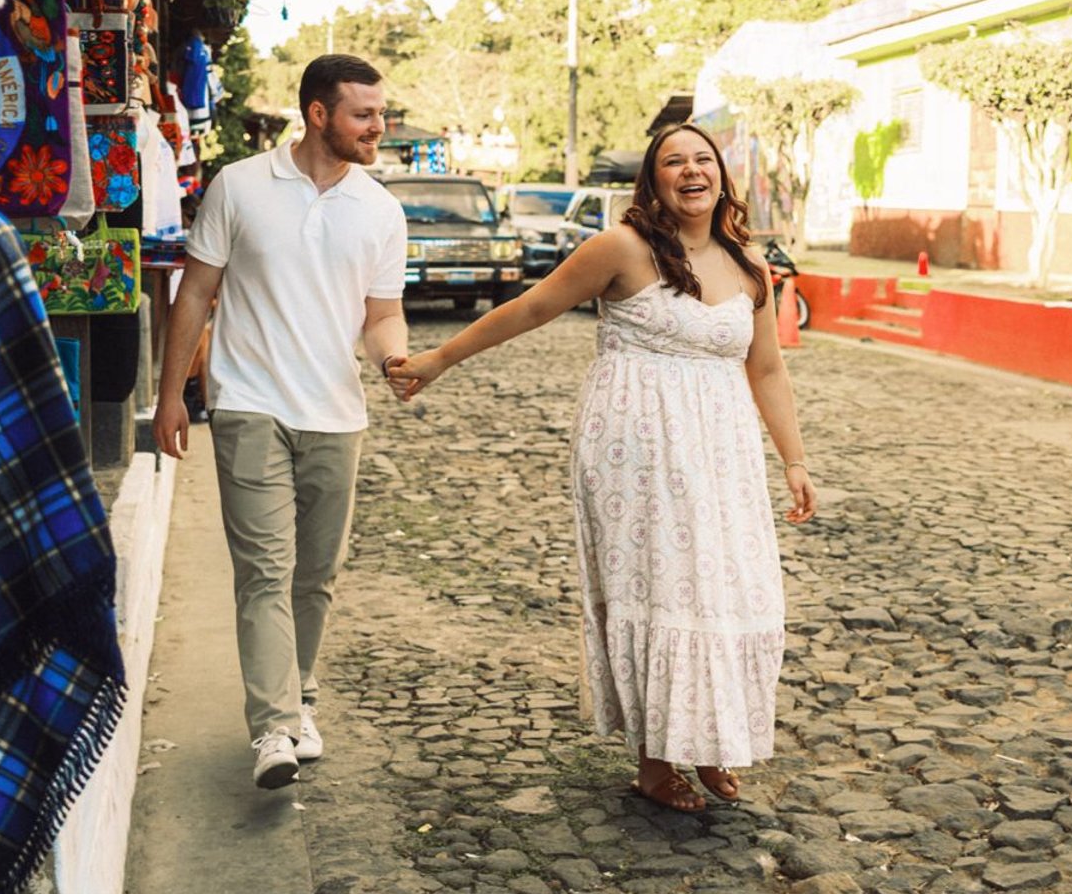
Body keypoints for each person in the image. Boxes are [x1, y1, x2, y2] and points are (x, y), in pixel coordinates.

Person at [387, 123, 817, 813]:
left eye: (703, 158)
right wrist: (440, 359)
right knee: (665, 586)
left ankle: (708, 741)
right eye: (673, 161)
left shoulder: (749, 265)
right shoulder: (621, 248)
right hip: (636, 446)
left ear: (722, 176)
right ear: (653, 181)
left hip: (723, 449)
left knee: (727, 586)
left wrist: (793, 460)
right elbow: (532, 307)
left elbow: (765, 367)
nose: (690, 169)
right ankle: (654, 760)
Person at [153, 53, 409, 790]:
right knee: (265, 569)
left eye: (379, 113)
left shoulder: (379, 209)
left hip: (336, 410)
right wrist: (175, 395)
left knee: (315, 576)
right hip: (249, 403)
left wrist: (395, 362)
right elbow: (194, 294)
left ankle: (300, 698)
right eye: (363, 114)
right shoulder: (239, 185)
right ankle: (272, 727)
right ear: (319, 113)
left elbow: (382, 316)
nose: (376, 127)